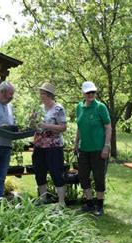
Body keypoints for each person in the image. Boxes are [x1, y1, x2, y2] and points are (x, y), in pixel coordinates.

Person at [75, 81, 112, 216]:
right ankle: (89, 203)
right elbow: (79, 126)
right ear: (83, 93)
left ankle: (100, 206)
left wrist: (106, 146)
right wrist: (76, 143)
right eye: (88, 92)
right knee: (83, 176)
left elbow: (108, 127)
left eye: (93, 92)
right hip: (84, 148)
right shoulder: (79, 107)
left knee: (98, 177)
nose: (91, 94)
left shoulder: (100, 107)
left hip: (98, 148)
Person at [31, 83, 67, 206]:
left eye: (42, 93)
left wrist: (46, 126)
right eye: (40, 93)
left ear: (49, 95)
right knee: (39, 173)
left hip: (54, 147)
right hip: (39, 146)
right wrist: (31, 121)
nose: (40, 96)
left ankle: (61, 202)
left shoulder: (58, 109)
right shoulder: (38, 108)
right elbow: (32, 126)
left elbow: (63, 127)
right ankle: (43, 199)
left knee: (56, 173)